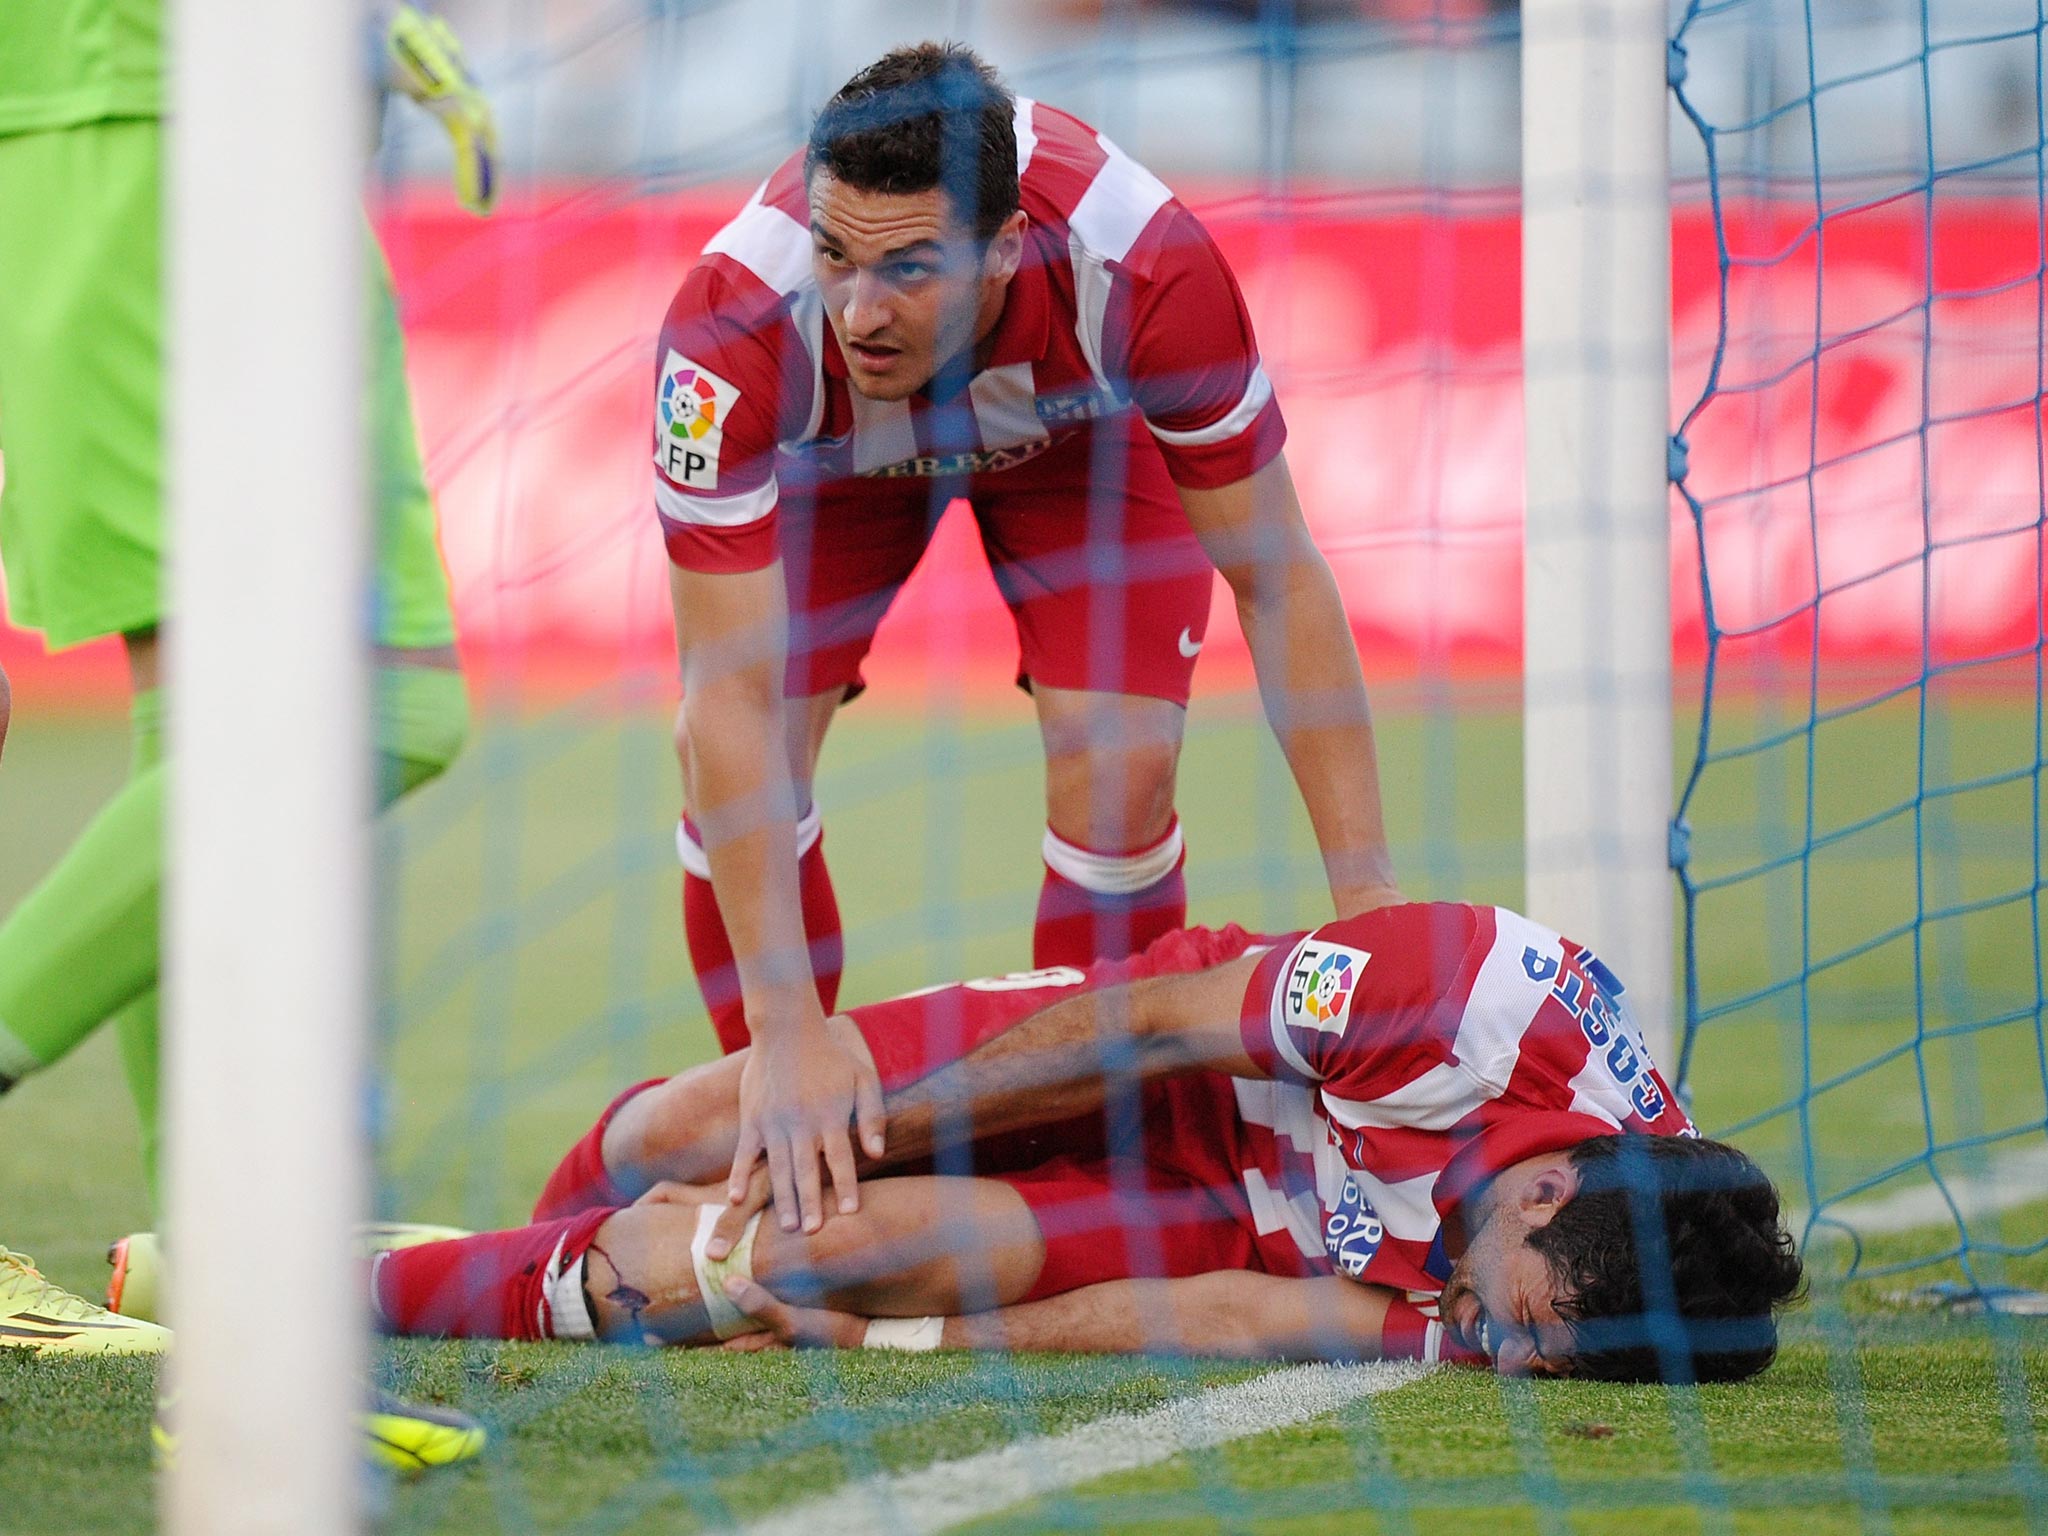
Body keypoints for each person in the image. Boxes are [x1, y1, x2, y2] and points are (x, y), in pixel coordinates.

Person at [657, 41, 1404, 1237]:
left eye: (909, 268)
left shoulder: (1147, 266)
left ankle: (1098, 1156)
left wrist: (1368, 900)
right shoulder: (732, 327)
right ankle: (782, 1132)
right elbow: (727, 699)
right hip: (831, 463)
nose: (860, 308)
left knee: (1120, 769)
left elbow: (1278, 582)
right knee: (727, 752)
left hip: (1079, 442)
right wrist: (789, 1032)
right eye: (836, 257)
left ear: (1007, 246)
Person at [366, 903, 1803, 1382]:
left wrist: (888, 1344)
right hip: (1165, 1063)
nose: (1501, 1346)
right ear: (1545, 1182)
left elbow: (1240, 1313)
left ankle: (348, 1295)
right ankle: (519, 1246)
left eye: (1539, 1356)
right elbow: (1157, 1024)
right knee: (716, 1124)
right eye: (1525, 1317)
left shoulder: (1594, 1289)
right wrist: (855, 1129)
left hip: (1212, 1224)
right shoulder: (1467, 999)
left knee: (805, 1254)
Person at [0, 1, 483, 1358]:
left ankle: (208, 1252)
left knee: (199, 733)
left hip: (108, 141)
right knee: (385, 706)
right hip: (163, 126)